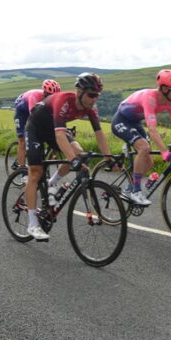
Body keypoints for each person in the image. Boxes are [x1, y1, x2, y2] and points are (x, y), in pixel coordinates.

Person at [23, 73, 112, 241]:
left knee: (79, 152)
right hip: (36, 126)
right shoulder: (63, 100)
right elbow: (60, 137)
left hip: (55, 129)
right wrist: (73, 160)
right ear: (79, 91)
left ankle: (52, 182)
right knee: (35, 172)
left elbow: (99, 134)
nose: (94, 99)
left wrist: (109, 158)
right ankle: (33, 223)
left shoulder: (91, 109)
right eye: (91, 95)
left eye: (97, 95)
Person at [110, 69, 171, 206]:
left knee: (149, 162)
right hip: (121, 120)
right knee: (144, 148)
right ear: (164, 89)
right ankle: (135, 191)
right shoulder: (150, 98)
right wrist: (164, 151)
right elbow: (152, 129)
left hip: (134, 123)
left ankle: (129, 186)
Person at [11, 80, 61, 177]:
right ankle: (23, 173)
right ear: (44, 93)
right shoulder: (34, 97)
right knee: (23, 140)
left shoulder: (52, 101)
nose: (52, 98)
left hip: (33, 112)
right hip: (22, 111)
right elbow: (33, 118)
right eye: (50, 95)